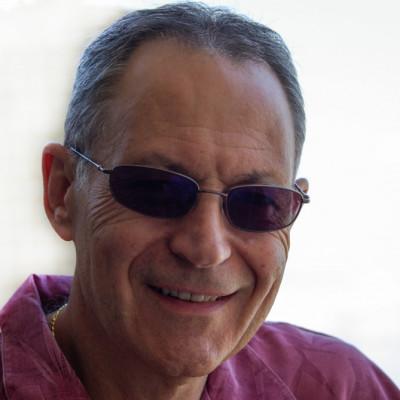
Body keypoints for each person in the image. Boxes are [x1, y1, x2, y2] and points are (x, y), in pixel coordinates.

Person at [0, 3, 398, 399]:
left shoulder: (340, 387)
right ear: (63, 191)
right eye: (158, 189)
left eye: (256, 202)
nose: (208, 248)